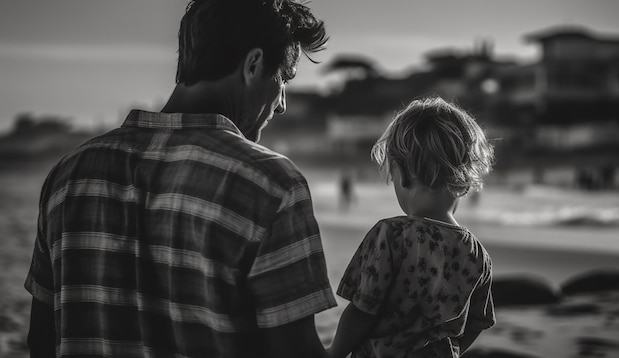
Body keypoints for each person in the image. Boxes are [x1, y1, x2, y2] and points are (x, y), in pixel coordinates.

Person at [24, 1, 337, 357]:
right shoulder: (270, 183)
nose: (281, 104)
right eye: (283, 80)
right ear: (253, 65)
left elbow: (41, 342)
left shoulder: (68, 175)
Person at [327, 97, 496, 358]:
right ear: (464, 180)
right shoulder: (478, 254)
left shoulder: (391, 235)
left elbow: (362, 311)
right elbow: (477, 323)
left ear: (403, 174)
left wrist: (334, 353)